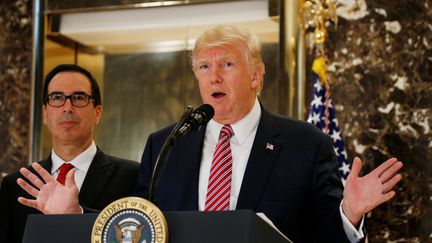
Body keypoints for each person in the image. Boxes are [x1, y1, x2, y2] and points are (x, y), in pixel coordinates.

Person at [14, 27, 402, 243]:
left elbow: (324, 240)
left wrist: (348, 214)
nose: (213, 75)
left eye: (227, 64)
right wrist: (74, 216)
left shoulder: (304, 143)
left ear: (255, 76)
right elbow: (141, 226)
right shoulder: (166, 143)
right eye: (203, 66)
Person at [0, 64, 140, 243]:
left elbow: (142, 235)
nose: (67, 107)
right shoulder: (16, 186)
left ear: (97, 112)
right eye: (57, 97)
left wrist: (78, 214)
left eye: (78, 97)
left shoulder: (132, 176)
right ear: (44, 113)